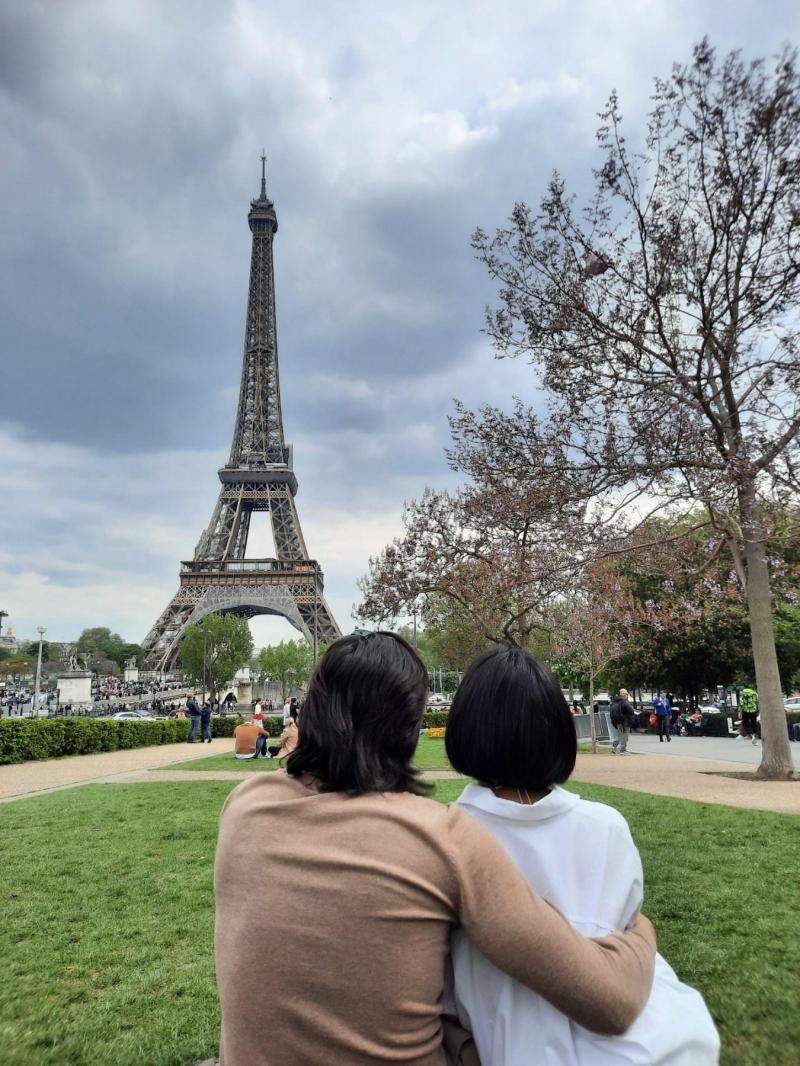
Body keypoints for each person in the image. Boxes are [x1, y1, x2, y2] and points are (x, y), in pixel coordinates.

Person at [215, 632, 657, 1066]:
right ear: (410, 725)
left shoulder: (243, 807)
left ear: (310, 710)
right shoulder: (442, 839)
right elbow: (608, 1001)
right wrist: (641, 932)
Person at [444, 647, 719, 1066]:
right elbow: (628, 932)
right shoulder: (606, 826)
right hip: (647, 1046)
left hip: (509, 1045)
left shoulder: (444, 837)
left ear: (467, 727)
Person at [609, 688, 636, 753]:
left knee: (619, 735)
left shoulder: (614, 702)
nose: (627, 695)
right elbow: (631, 711)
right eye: (626, 694)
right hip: (625, 721)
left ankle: (614, 747)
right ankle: (623, 750)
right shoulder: (624, 702)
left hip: (618, 721)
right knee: (625, 736)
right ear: (624, 695)